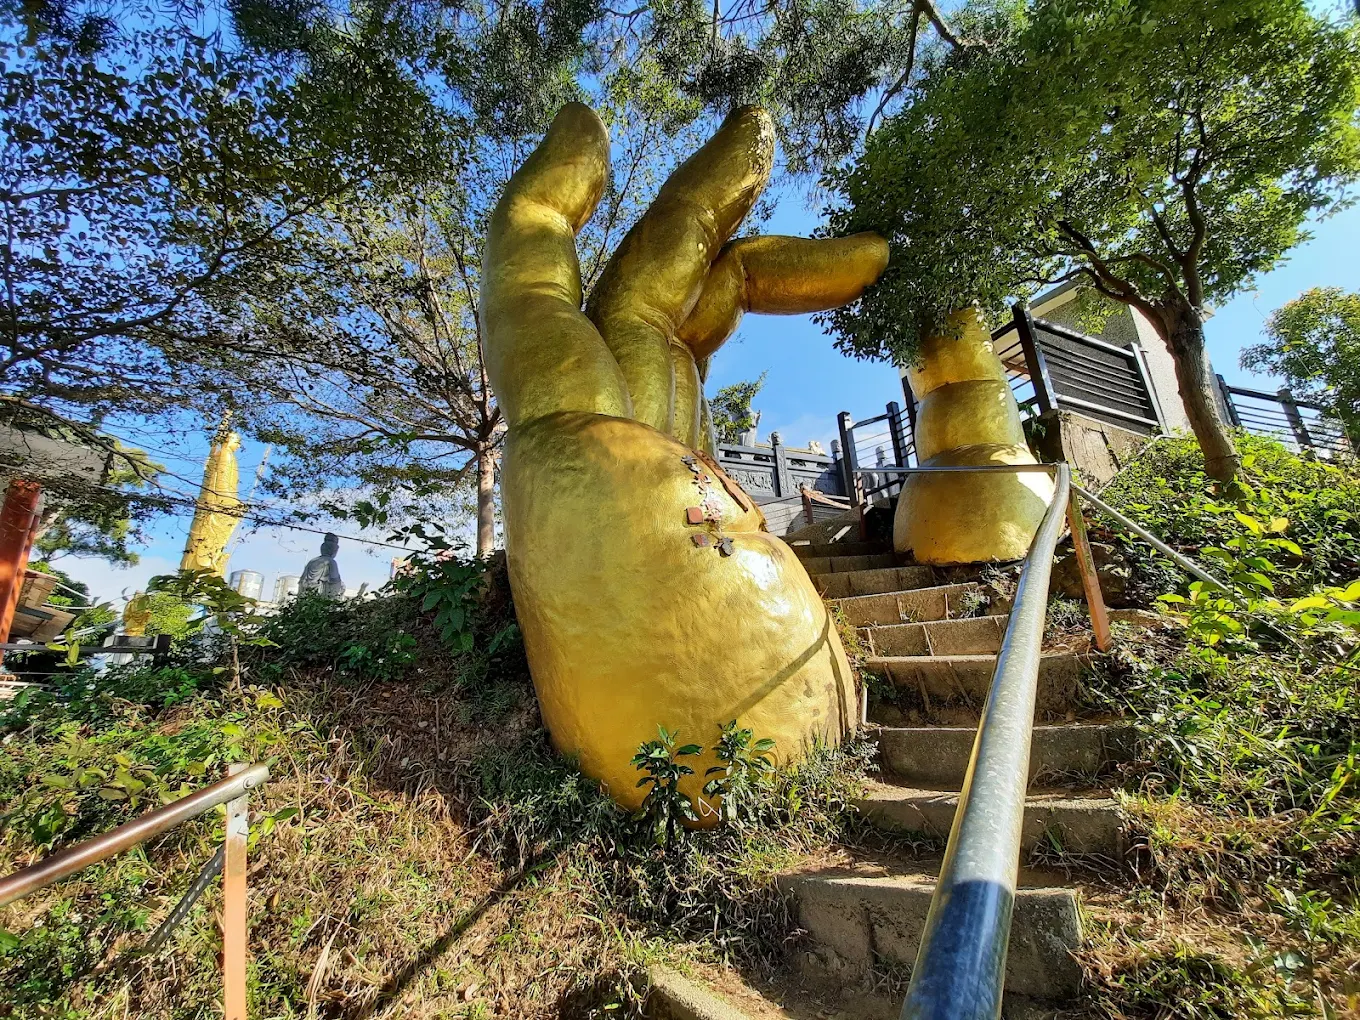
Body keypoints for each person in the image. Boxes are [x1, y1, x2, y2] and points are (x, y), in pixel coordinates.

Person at [299, 533, 344, 598]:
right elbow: (335, 583)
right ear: (333, 550)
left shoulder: (311, 561)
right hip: (321, 597)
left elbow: (302, 581)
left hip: (307, 596)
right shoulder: (331, 562)